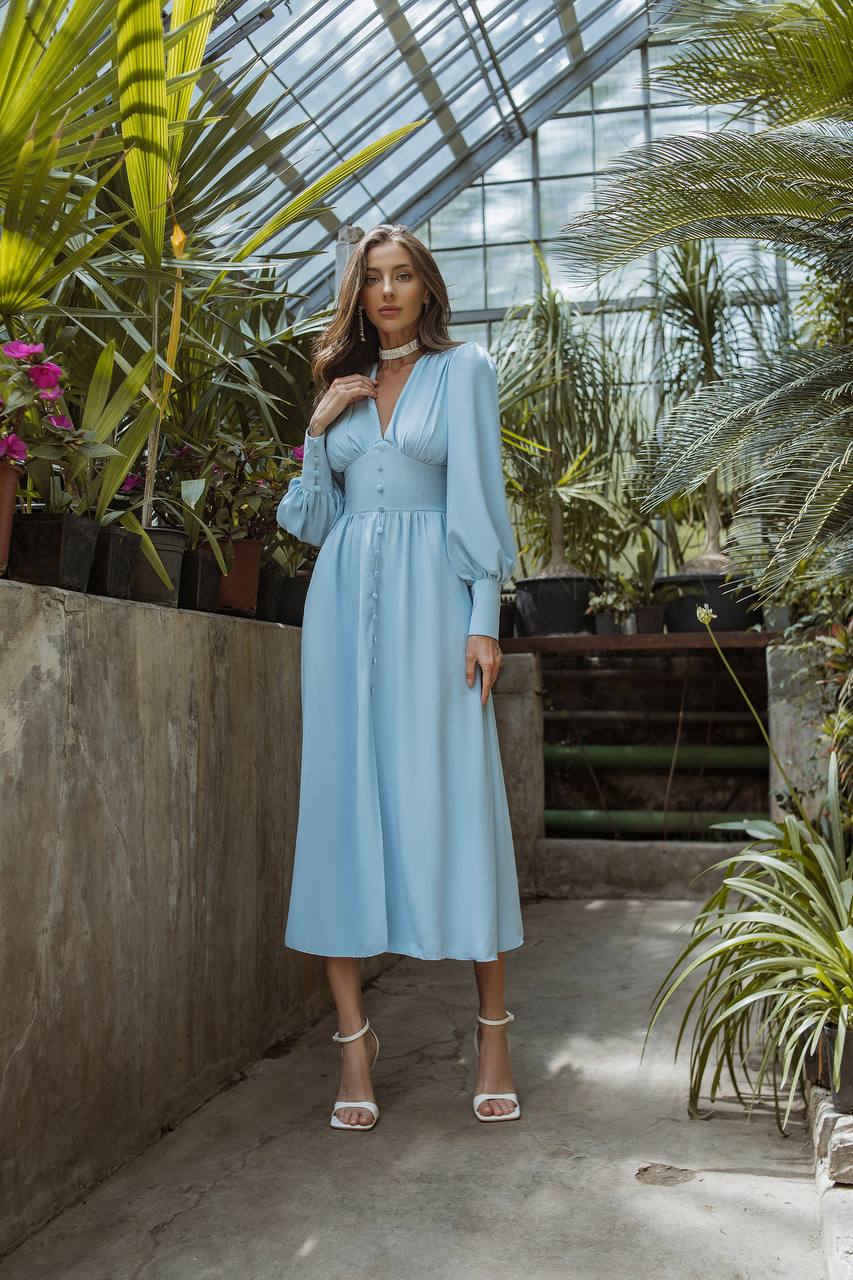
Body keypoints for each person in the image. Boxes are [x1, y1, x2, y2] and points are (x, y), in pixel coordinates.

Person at [276, 223, 524, 1131]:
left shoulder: (464, 372)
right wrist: (315, 431)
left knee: (458, 798)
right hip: (342, 614)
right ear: (359, 293)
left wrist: (483, 619)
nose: (386, 292)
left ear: (426, 288)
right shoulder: (339, 388)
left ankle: (492, 1036)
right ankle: (354, 1044)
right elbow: (309, 522)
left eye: (402, 276)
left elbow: (481, 500)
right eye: (372, 278)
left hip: (436, 605)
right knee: (339, 809)